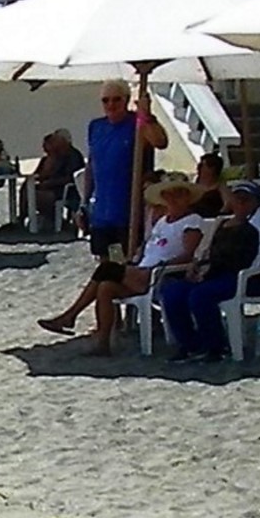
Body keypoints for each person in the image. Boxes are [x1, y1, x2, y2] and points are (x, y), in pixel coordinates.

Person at [39, 178, 204, 356]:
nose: (173, 198)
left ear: (188, 198)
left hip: (160, 275)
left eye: (179, 194)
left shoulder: (192, 220)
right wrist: (137, 259)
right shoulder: (163, 221)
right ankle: (103, 343)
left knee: (106, 268)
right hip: (140, 268)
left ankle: (70, 316)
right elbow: (148, 248)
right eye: (170, 194)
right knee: (105, 287)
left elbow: (188, 254)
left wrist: (158, 266)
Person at [160, 181, 260, 363]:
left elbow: (238, 261)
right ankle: (191, 344)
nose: (240, 203)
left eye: (245, 200)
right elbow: (206, 250)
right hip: (210, 272)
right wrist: (197, 265)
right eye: (237, 199)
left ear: (254, 204)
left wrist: (207, 270)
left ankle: (215, 346)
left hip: (232, 276)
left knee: (200, 296)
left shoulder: (251, 230)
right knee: (171, 293)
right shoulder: (221, 224)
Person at [81, 80, 169, 261]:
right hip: (102, 210)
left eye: (116, 100)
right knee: (106, 261)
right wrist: (83, 203)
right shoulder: (96, 127)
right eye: (106, 100)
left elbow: (160, 142)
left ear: (126, 100)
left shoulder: (138, 123)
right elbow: (91, 165)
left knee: (124, 262)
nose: (111, 105)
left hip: (128, 209)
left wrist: (147, 115)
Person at [14, 129, 85, 228]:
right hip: (52, 186)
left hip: (65, 189)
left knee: (36, 195)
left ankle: (53, 219)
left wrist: (50, 183)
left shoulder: (73, 156)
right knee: (27, 188)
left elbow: (71, 178)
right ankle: (23, 217)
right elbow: (39, 174)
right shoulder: (55, 156)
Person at [192, 152, 230, 219]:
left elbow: (228, 204)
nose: (199, 168)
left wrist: (217, 217)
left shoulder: (220, 186)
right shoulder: (194, 185)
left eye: (203, 166)